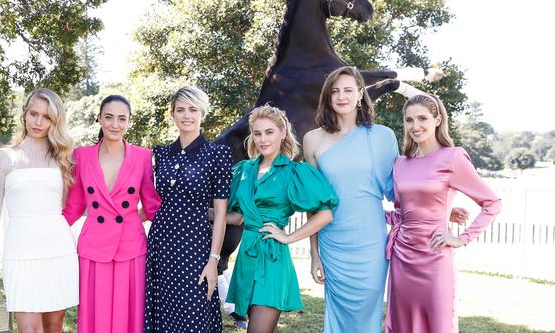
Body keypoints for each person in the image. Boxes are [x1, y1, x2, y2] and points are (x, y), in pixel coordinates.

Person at [303, 67, 467, 332]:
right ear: (327, 97)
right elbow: (313, 204)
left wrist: (439, 211)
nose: (341, 97)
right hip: (332, 242)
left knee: (368, 313)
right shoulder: (312, 139)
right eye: (335, 91)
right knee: (336, 316)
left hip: (370, 242)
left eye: (348, 90)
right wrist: (315, 254)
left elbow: (398, 190)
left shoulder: (381, 136)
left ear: (360, 94)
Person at [384, 94, 501, 333]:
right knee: (402, 325)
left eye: (422, 118)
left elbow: (492, 203)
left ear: (437, 120)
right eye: (409, 120)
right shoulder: (400, 163)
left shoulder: (453, 157)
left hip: (435, 258)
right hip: (402, 258)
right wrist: (364, 210)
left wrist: (462, 238)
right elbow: (404, 214)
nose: (415, 126)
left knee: (438, 325)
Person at [224, 104, 337, 333]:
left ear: (282, 133)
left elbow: (325, 214)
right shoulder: (244, 170)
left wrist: (288, 237)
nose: (263, 139)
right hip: (247, 258)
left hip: (273, 258)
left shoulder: (293, 172)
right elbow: (237, 218)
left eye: (269, 132)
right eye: (257, 133)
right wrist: (191, 211)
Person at [0, 88, 78, 333]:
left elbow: (71, 205)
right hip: (20, 253)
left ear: (55, 121)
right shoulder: (4, 157)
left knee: (54, 326)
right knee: (29, 329)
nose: (38, 122)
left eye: (46, 117)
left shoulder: (63, 158)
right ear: (24, 114)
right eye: (33, 114)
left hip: (58, 251)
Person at [62, 95, 161, 333]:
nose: (115, 124)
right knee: (94, 316)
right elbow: (74, 206)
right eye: (108, 117)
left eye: (121, 118)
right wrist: (48, 232)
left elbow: (152, 206)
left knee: (130, 316)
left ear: (129, 122)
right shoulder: (81, 155)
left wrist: (129, 218)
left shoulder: (143, 156)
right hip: (93, 248)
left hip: (131, 247)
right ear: (99, 119)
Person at [144, 86, 232, 333]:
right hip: (161, 244)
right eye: (180, 109)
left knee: (193, 312)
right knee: (163, 312)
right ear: (172, 114)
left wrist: (213, 260)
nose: (186, 115)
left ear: (202, 112)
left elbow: (221, 214)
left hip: (195, 245)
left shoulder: (217, 154)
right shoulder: (161, 153)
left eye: (193, 109)